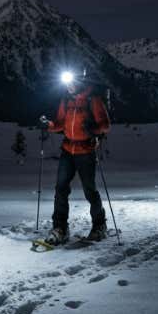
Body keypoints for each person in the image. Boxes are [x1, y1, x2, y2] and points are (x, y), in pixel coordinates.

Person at [41, 75, 111, 243]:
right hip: (67, 149)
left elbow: (105, 125)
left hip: (86, 151)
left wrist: (93, 129)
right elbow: (60, 123)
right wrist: (49, 125)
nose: (69, 87)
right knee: (61, 188)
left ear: (79, 83)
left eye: (71, 84)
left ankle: (99, 225)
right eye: (67, 84)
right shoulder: (66, 100)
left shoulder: (92, 100)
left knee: (89, 190)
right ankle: (60, 228)